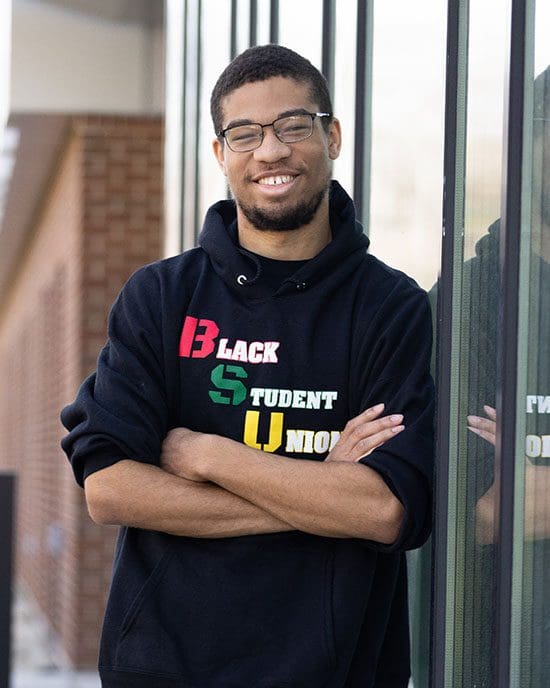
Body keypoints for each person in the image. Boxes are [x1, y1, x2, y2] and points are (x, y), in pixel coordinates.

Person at [61, 44, 434, 688]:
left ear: (332, 135)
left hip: (341, 671)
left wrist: (208, 456)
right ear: (220, 154)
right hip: (166, 668)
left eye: (293, 126)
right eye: (245, 134)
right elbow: (111, 488)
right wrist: (320, 489)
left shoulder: (390, 306)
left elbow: (382, 512)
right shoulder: (162, 297)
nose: (271, 152)